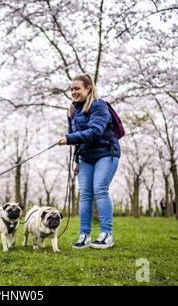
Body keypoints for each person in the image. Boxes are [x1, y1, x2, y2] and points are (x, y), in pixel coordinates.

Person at [58, 73, 120, 249]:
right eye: (71, 89)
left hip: (106, 153)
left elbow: (95, 131)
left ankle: (106, 234)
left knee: (100, 189)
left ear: (88, 88)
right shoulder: (72, 110)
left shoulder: (99, 105)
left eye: (77, 88)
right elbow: (75, 138)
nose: (73, 92)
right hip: (85, 157)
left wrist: (69, 139)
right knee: (85, 194)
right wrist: (76, 159)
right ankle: (84, 235)